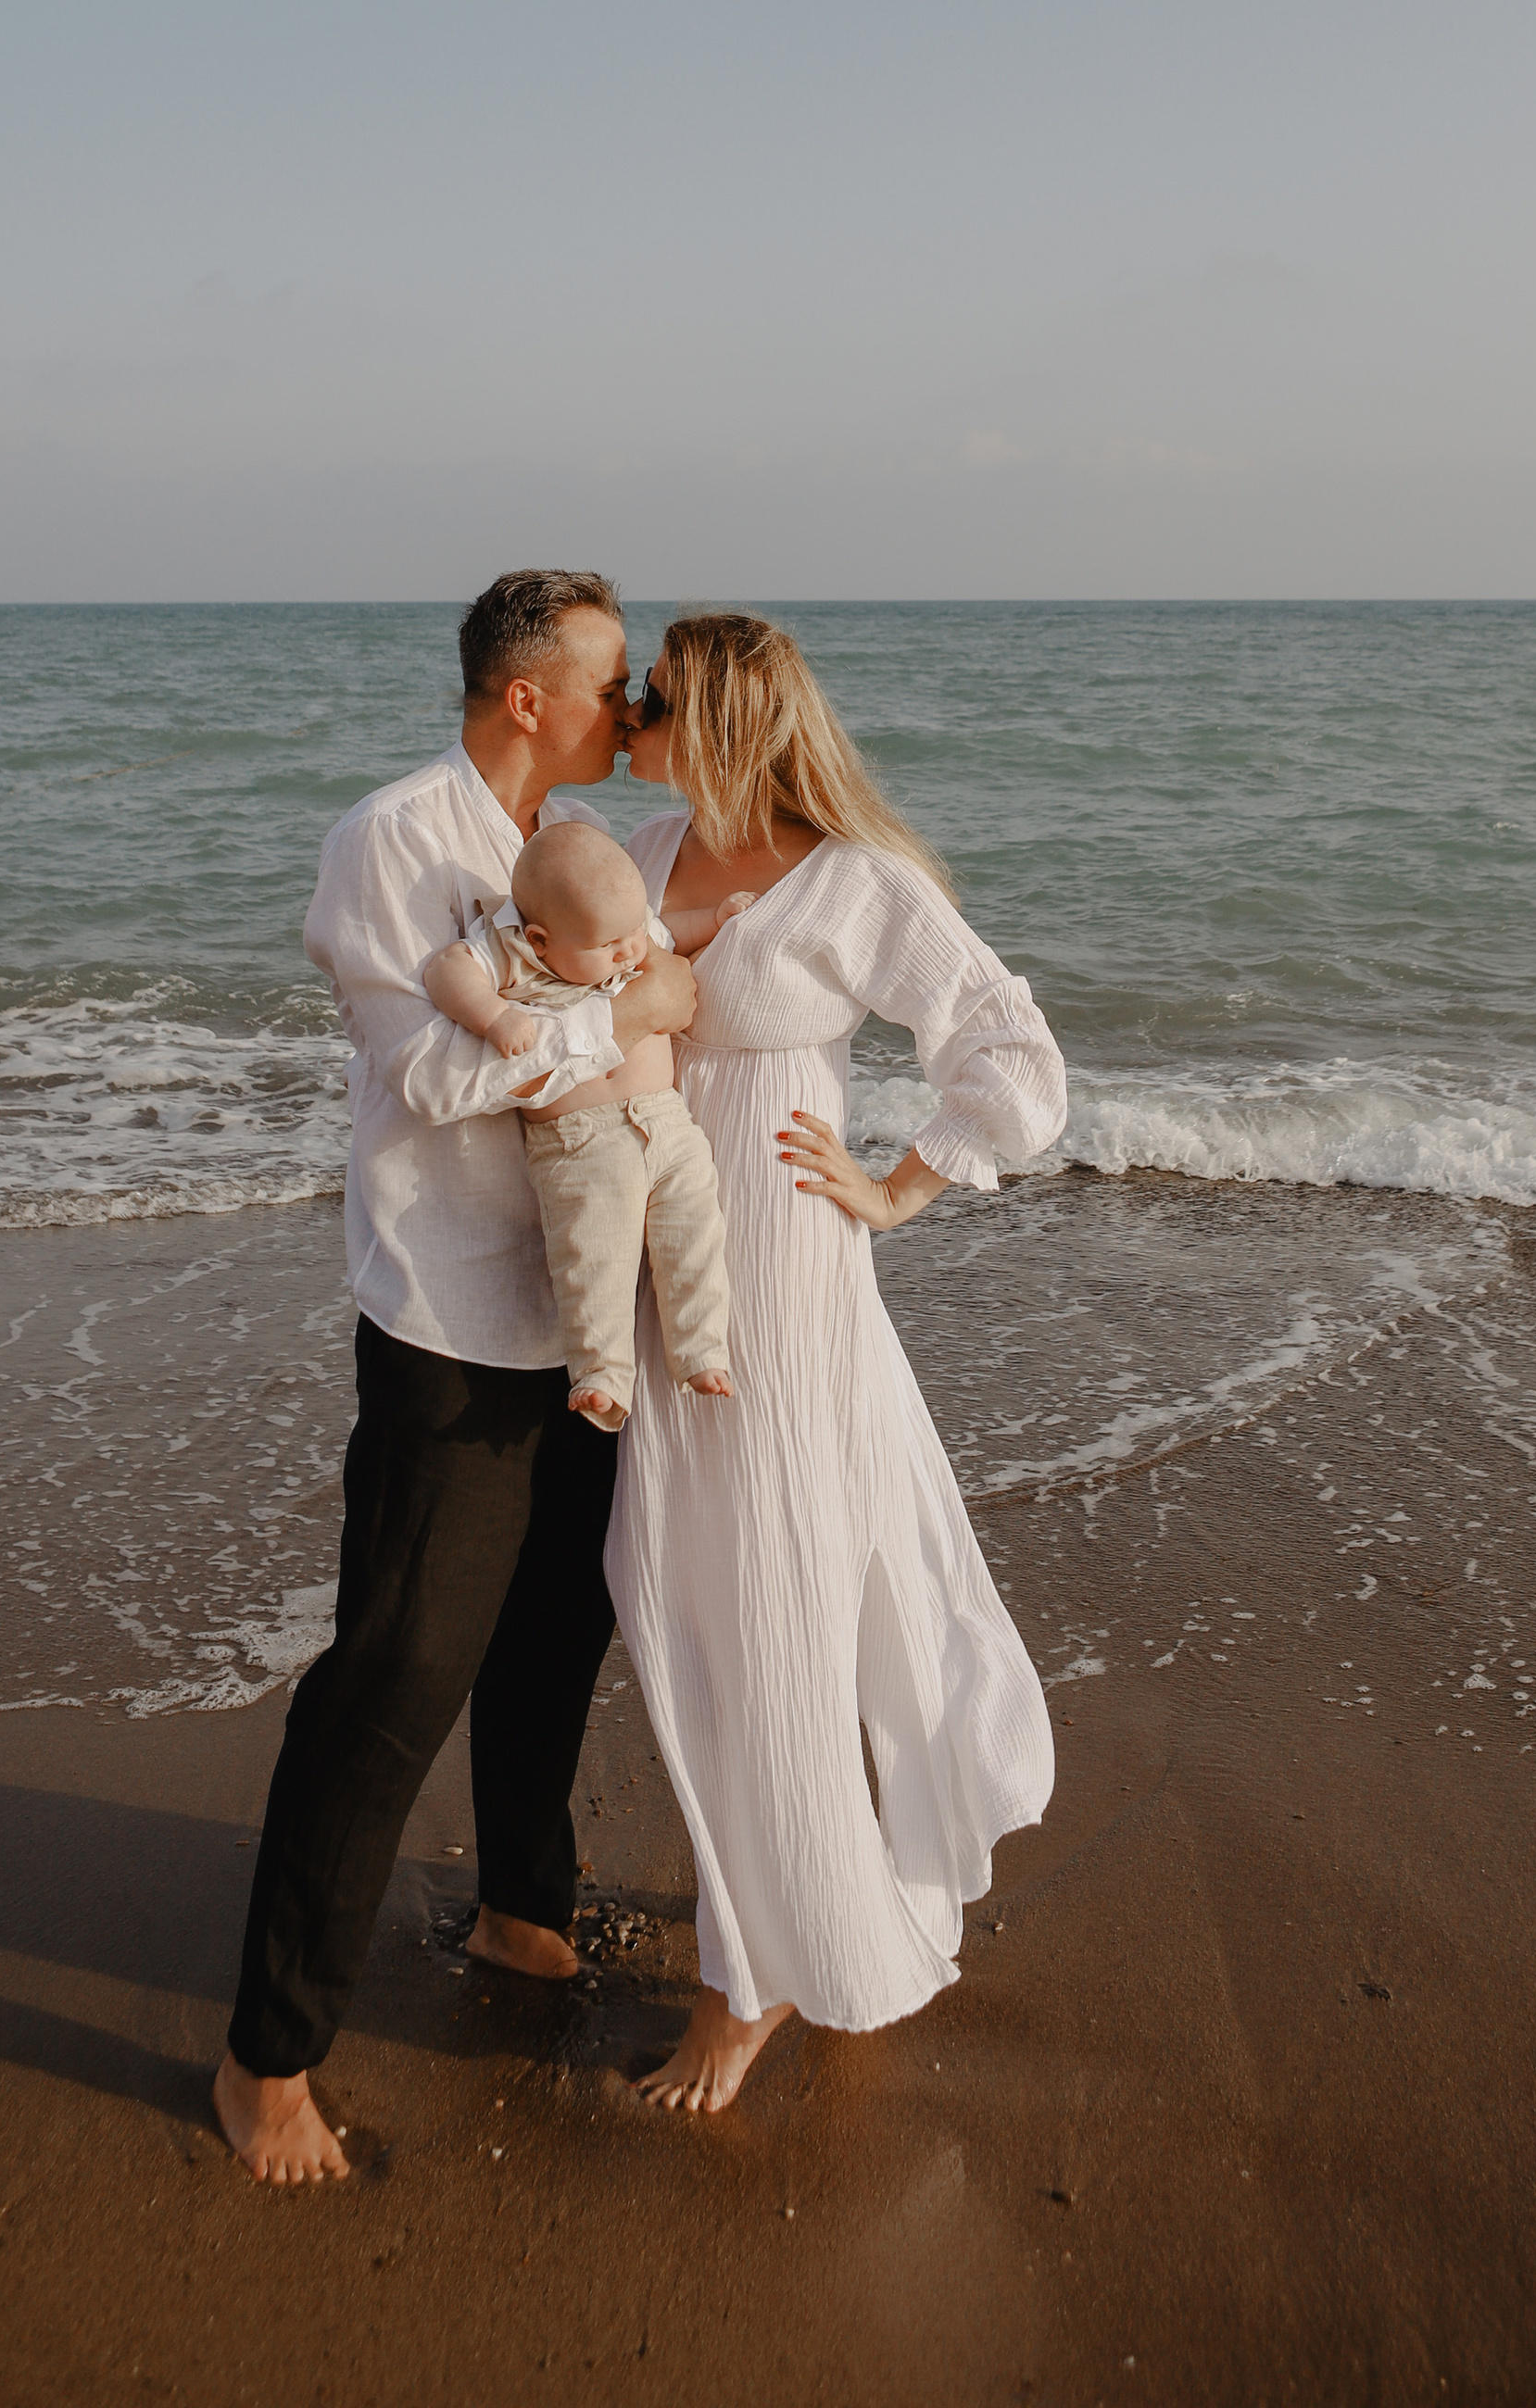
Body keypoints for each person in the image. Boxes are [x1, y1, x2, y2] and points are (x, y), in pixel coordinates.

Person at [213, 571, 699, 2183]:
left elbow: (614, 1027)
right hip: (446, 1325)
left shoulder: (593, 854)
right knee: (395, 1677)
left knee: (562, 1630)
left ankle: (520, 1907)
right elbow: (429, 1072)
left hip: (581, 1318)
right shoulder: (394, 842)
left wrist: (619, 1027)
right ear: (524, 696)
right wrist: (617, 1029)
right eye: (613, 682)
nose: (630, 711)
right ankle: (267, 2058)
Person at [610, 609, 1067, 2113]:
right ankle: (771, 1905)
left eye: (654, 695)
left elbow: (1012, 1056)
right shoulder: (651, 854)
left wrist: (899, 1183)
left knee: (771, 1619)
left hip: (789, 1288)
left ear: (726, 718)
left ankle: (753, 1982)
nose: (628, 712)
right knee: (668, 1593)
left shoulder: (856, 884)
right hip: (659, 1283)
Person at [419, 817, 744, 1429]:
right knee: (593, 1253)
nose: (628, 951)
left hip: (665, 1120)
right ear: (541, 940)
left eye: (630, 934)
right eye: (608, 946)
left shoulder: (624, 930)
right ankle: (600, 1375)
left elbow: (667, 932)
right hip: (578, 1140)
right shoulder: (509, 951)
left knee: (696, 1231)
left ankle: (703, 1349)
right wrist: (494, 1018)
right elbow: (446, 970)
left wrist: (718, 917)